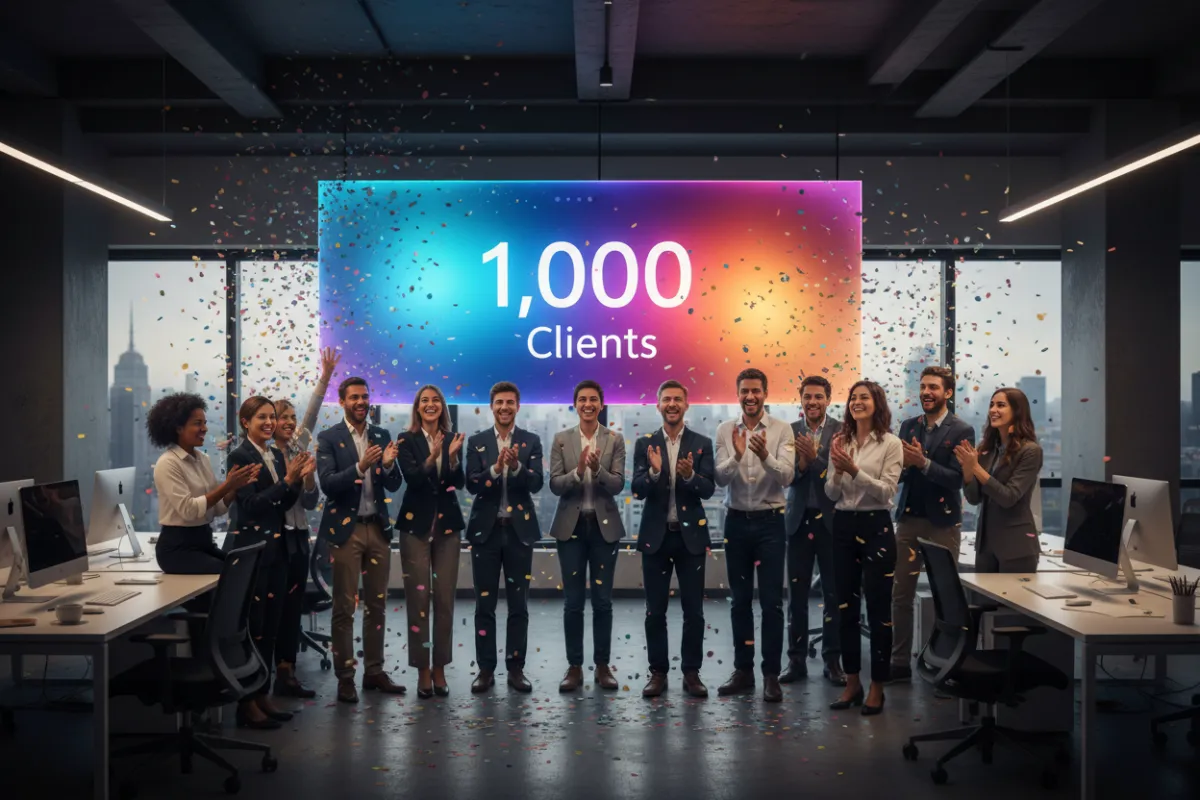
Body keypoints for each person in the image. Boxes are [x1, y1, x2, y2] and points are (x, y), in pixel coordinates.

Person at [224, 396, 312, 729]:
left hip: (278, 550)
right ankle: (247, 702)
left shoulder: (274, 453)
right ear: (245, 421)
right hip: (255, 552)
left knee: (271, 629)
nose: (270, 423)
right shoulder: (239, 455)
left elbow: (284, 501)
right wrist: (287, 481)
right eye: (261, 417)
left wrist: (298, 479)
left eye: (272, 417)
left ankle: (263, 695)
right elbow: (252, 504)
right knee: (255, 627)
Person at [315, 376, 405, 704]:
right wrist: (360, 465)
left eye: (365, 397)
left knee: (377, 605)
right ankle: (345, 676)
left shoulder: (381, 435)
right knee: (344, 607)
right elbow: (328, 484)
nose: (361, 402)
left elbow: (393, 485)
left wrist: (389, 465)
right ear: (342, 401)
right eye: (354, 397)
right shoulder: (328, 438)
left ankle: (374, 672)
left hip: (377, 528)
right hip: (346, 531)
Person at [713, 368, 796, 703]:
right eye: (745, 391)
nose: (750, 397)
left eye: (756, 391)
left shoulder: (782, 429)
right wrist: (736, 453)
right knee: (740, 602)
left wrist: (764, 456)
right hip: (735, 522)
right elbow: (719, 479)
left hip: (771, 523)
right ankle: (743, 670)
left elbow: (788, 477)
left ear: (765, 393)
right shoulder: (723, 430)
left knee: (773, 603)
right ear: (738, 394)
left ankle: (771, 674)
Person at [889, 366, 975, 683]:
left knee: (946, 597)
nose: (926, 392)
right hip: (909, 520)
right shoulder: (908, 426)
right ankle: (899, 663)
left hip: (943, 524)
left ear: (948, 393)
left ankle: (946, 664)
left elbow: (956, 480)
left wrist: (922, 463)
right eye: (923, 386)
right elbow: (901, 473)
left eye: (934, 387)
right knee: (901, 595)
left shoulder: (962, 430)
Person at [632, 380, 715, 699]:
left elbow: (708, 489)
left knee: (694, 611)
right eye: (666, 399)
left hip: (690, 539)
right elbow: (637, 489)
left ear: (686, 405)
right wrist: (654, 474)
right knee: (655, 611)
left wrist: (690, 477)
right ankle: (658, 672)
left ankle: (692, 673)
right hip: (656, 538)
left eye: (677, 399)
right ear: (658, 405)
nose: (672, 404)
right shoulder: (645, 443)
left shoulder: (701, 442)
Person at [825, 380, 902, 716]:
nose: (857, 402)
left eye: (864, 397)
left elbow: (886, 494)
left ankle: (877, 687)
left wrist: (854, 470)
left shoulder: (891, 444)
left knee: (879, 610)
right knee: (845, 608)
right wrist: (840, 473)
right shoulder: (840, 441)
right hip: (843, 525)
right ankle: (852, 681)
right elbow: (830, 493)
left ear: (877, 403)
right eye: (853, 397)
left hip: (876, 528)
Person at [269, 346, 340, 699]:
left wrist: (309, 480)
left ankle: (287, 671)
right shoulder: (263, 454)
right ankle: (269, 670)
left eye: (291, 417)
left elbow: (310, 503)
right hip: (273, 539)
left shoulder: (298, 448)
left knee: (293, 605)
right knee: (275, 606)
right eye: (281, 418)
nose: (289, 422)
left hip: (298, 537)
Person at [548, 379, 627, 693]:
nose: (588, 404)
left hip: (604, 529)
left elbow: (619, 484)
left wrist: (600, 471)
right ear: (575, 404)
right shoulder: (562, 439)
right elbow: (554, 484)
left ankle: (603, 667)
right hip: (571, 529)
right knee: (573, 603)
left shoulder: (615, 439)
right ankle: (575, 667)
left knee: (603, 602)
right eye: (582, 399)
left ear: (602, 403)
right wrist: (579, 472)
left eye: (594, 399)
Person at [465, 381, 544, 694]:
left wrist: (518, 467)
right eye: (499, 402)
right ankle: (485, 670)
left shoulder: (531, 441)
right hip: (485, 534)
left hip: (518, 534)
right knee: (484, 605)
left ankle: (515, 669)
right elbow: (472, 484)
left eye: (510, 402)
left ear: (518, 406)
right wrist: (496, 469)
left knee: (518, 606)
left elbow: (537, 483)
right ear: (492, 406)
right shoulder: (477, 441)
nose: (504, 408)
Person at [394, 384, 466, 698]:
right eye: (425, 400)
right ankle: (423, 670)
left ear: (442, 407)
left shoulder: (453, 439)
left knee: (445, 601)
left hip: (448, 528)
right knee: (418, 602)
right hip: (415, 528)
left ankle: (440, 668)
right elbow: (412, 479)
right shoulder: (406, 440)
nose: (430, 404)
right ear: (417, 407)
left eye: (436, 400)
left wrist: (450, 460)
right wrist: (432, 457)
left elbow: (458, 483)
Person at [148, 393, 259, 575]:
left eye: (205, 422)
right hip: (177, 549)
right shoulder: (168, 463)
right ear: (178, 428)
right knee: (229, 575)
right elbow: (189, 510)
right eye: (197, 423)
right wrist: (227, 486)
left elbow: (216, 509)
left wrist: (234, 488)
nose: (205, 428)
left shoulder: (203, 459)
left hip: (203, 541)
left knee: (242, 570)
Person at [781, 375, 845, 687]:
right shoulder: (788, 432)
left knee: (833, 593)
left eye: (818, 397)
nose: (813, 402)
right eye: (807, 396)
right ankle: (795, 660)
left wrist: (812, 461)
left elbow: (841, 472)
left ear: (828, 399)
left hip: (832, 521)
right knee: (797, 595)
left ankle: (833, 660)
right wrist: (801, 466)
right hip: (797, 520)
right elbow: (784, 476)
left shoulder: (841, 431)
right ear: (801, 398)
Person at [957, 387, 1044, 573]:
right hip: (985, 545)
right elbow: (974, 498)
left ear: (1017, 411)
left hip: (1016, 548)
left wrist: (976, 468)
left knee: (1011, 602)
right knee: (984, 602)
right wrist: (967, 472)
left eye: (1001, 405)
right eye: (991, 405)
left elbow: (1009, 497)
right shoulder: (988, 449)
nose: (993, 410)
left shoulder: (1030, 451)